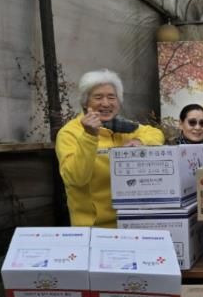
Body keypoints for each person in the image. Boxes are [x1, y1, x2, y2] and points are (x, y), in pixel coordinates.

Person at [55, 69, 164, 228]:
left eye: (112, 97)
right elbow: (76, 179)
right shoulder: (69, 133)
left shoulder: (124, 127)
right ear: (85, 102)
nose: (106, 103)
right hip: (93, 228)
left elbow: (156, 133)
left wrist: (139, 141)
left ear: (118, 102)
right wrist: (90, 136)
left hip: (130, 221)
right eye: (98, 97)